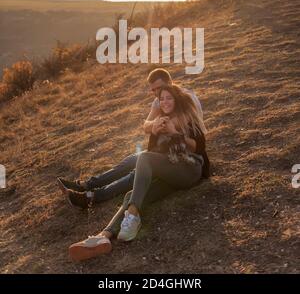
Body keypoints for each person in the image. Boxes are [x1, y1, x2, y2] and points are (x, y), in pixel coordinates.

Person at [68, 84, 209, 262]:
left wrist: (174, 133)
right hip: (170, 174)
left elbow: (199, 147)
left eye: (169, 98)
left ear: (177, 99)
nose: (164, 101)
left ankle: (133, 216)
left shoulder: (187, 117)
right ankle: (104, 236)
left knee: (142, 158)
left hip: (189, 170)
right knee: (131, 195)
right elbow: (155, 157)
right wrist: (155, 132)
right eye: (161, 99)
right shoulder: (161, 120)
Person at [58, 68, 205, 208]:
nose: (157, 93)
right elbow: (146, 126)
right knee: (131, 160)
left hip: (183, 156)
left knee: (138, 169)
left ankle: (93, 196)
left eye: (159, 88)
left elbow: (178, 123)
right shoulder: (161, 100)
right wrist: (154, 125)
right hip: (167, 150)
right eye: (153, 90)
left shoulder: (185, 98)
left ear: (170, 83)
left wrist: (161, 125)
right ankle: (86, 185)